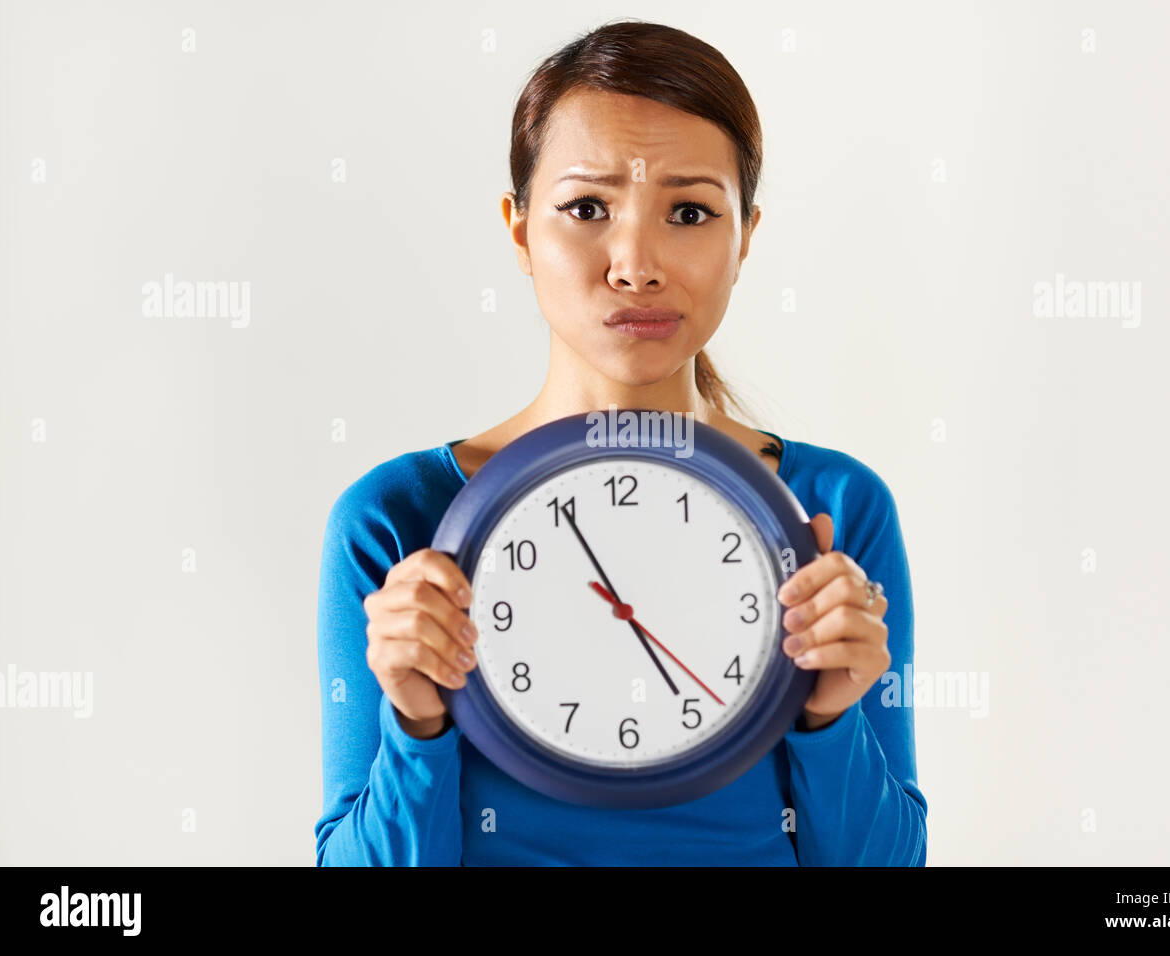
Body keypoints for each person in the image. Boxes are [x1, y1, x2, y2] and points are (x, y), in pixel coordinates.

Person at [315, 19, 926, 866]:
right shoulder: (395, 519)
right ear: (521, 229)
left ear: (744, 236)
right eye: (587, 208)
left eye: (688, 211)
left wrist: (828, 716)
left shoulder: (835, 510)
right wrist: (417, 725)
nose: (636, 264)